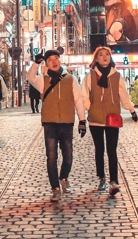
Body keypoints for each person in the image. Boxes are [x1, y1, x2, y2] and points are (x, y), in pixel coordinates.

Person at [27, 49, 87, 201]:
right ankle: (55, 188)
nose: (54, 61)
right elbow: (30, 77)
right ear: (46, 63)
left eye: (56, 58)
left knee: (68, 156)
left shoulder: (70, 79)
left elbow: (78, 100)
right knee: (51, 157)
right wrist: (36, 63)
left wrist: (82, 120)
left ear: (60, 60)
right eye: (50, 60)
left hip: (67, 123)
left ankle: (64, 177)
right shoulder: (43, 80)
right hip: (50, 124)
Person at [83, 46, 138, 196]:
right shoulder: (90, 76)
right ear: (96, 59)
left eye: (107, 54)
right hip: (95, 119)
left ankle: (114, 181)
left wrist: (131, 109)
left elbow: (123, 95)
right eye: (100, 55)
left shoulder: (117, 76)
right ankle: (101, 178)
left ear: (110, 57)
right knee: (99, 150)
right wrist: (87, 109)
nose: (104, 57)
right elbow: (84, 96)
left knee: (112, 150)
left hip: (112, 117)